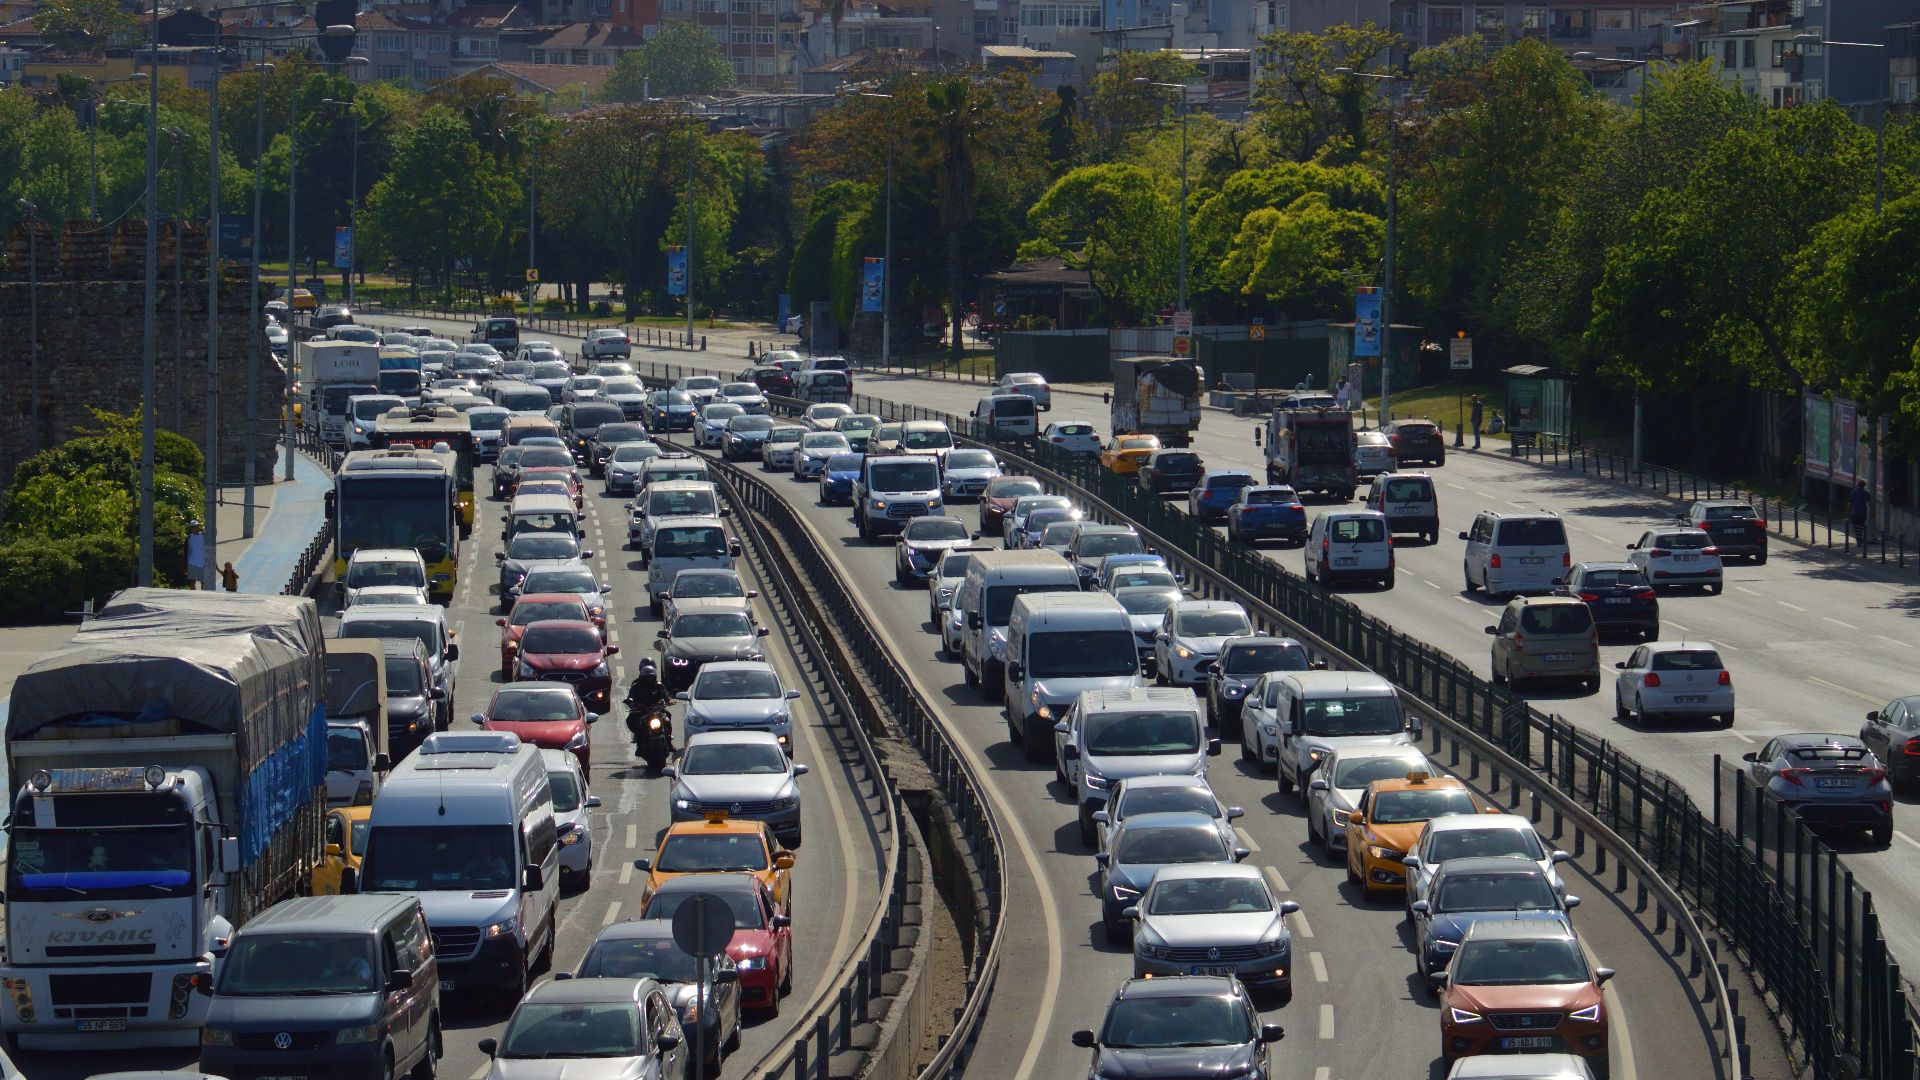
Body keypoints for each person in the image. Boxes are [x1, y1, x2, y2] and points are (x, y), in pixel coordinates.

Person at [185, 521, 206, 589]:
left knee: (204, 582)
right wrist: (185, 565)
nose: (196, 527)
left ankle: (204, 595)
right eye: (194, 526)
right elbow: (185, 552)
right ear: (191, 528)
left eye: (197, 526)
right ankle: (192, 595)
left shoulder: (203, 535)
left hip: (203, 563)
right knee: (192, 582)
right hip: (192, 562)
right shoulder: (188, 538)